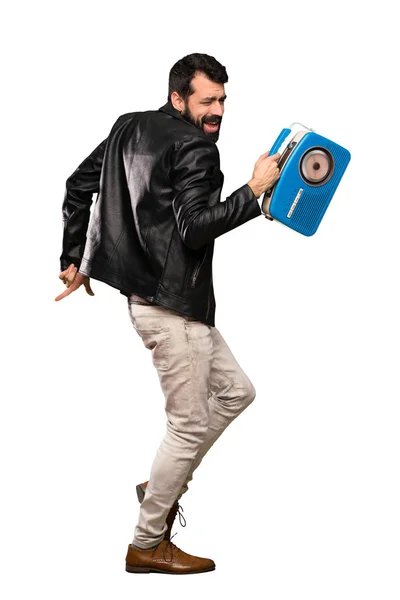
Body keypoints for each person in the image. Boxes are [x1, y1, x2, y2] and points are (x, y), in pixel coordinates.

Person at [56, 53, 280, 574]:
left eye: (223, 99)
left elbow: (77, 185)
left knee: (238, 391)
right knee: (189, 424)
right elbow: (196, 227)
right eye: (207, 100)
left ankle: (161, 481)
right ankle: (147, 541)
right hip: (174, 309)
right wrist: (254, 191)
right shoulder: (196, 148)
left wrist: (73, 258)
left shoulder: (127, 127)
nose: (218, 110)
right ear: (178, 98)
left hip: (155, 303)